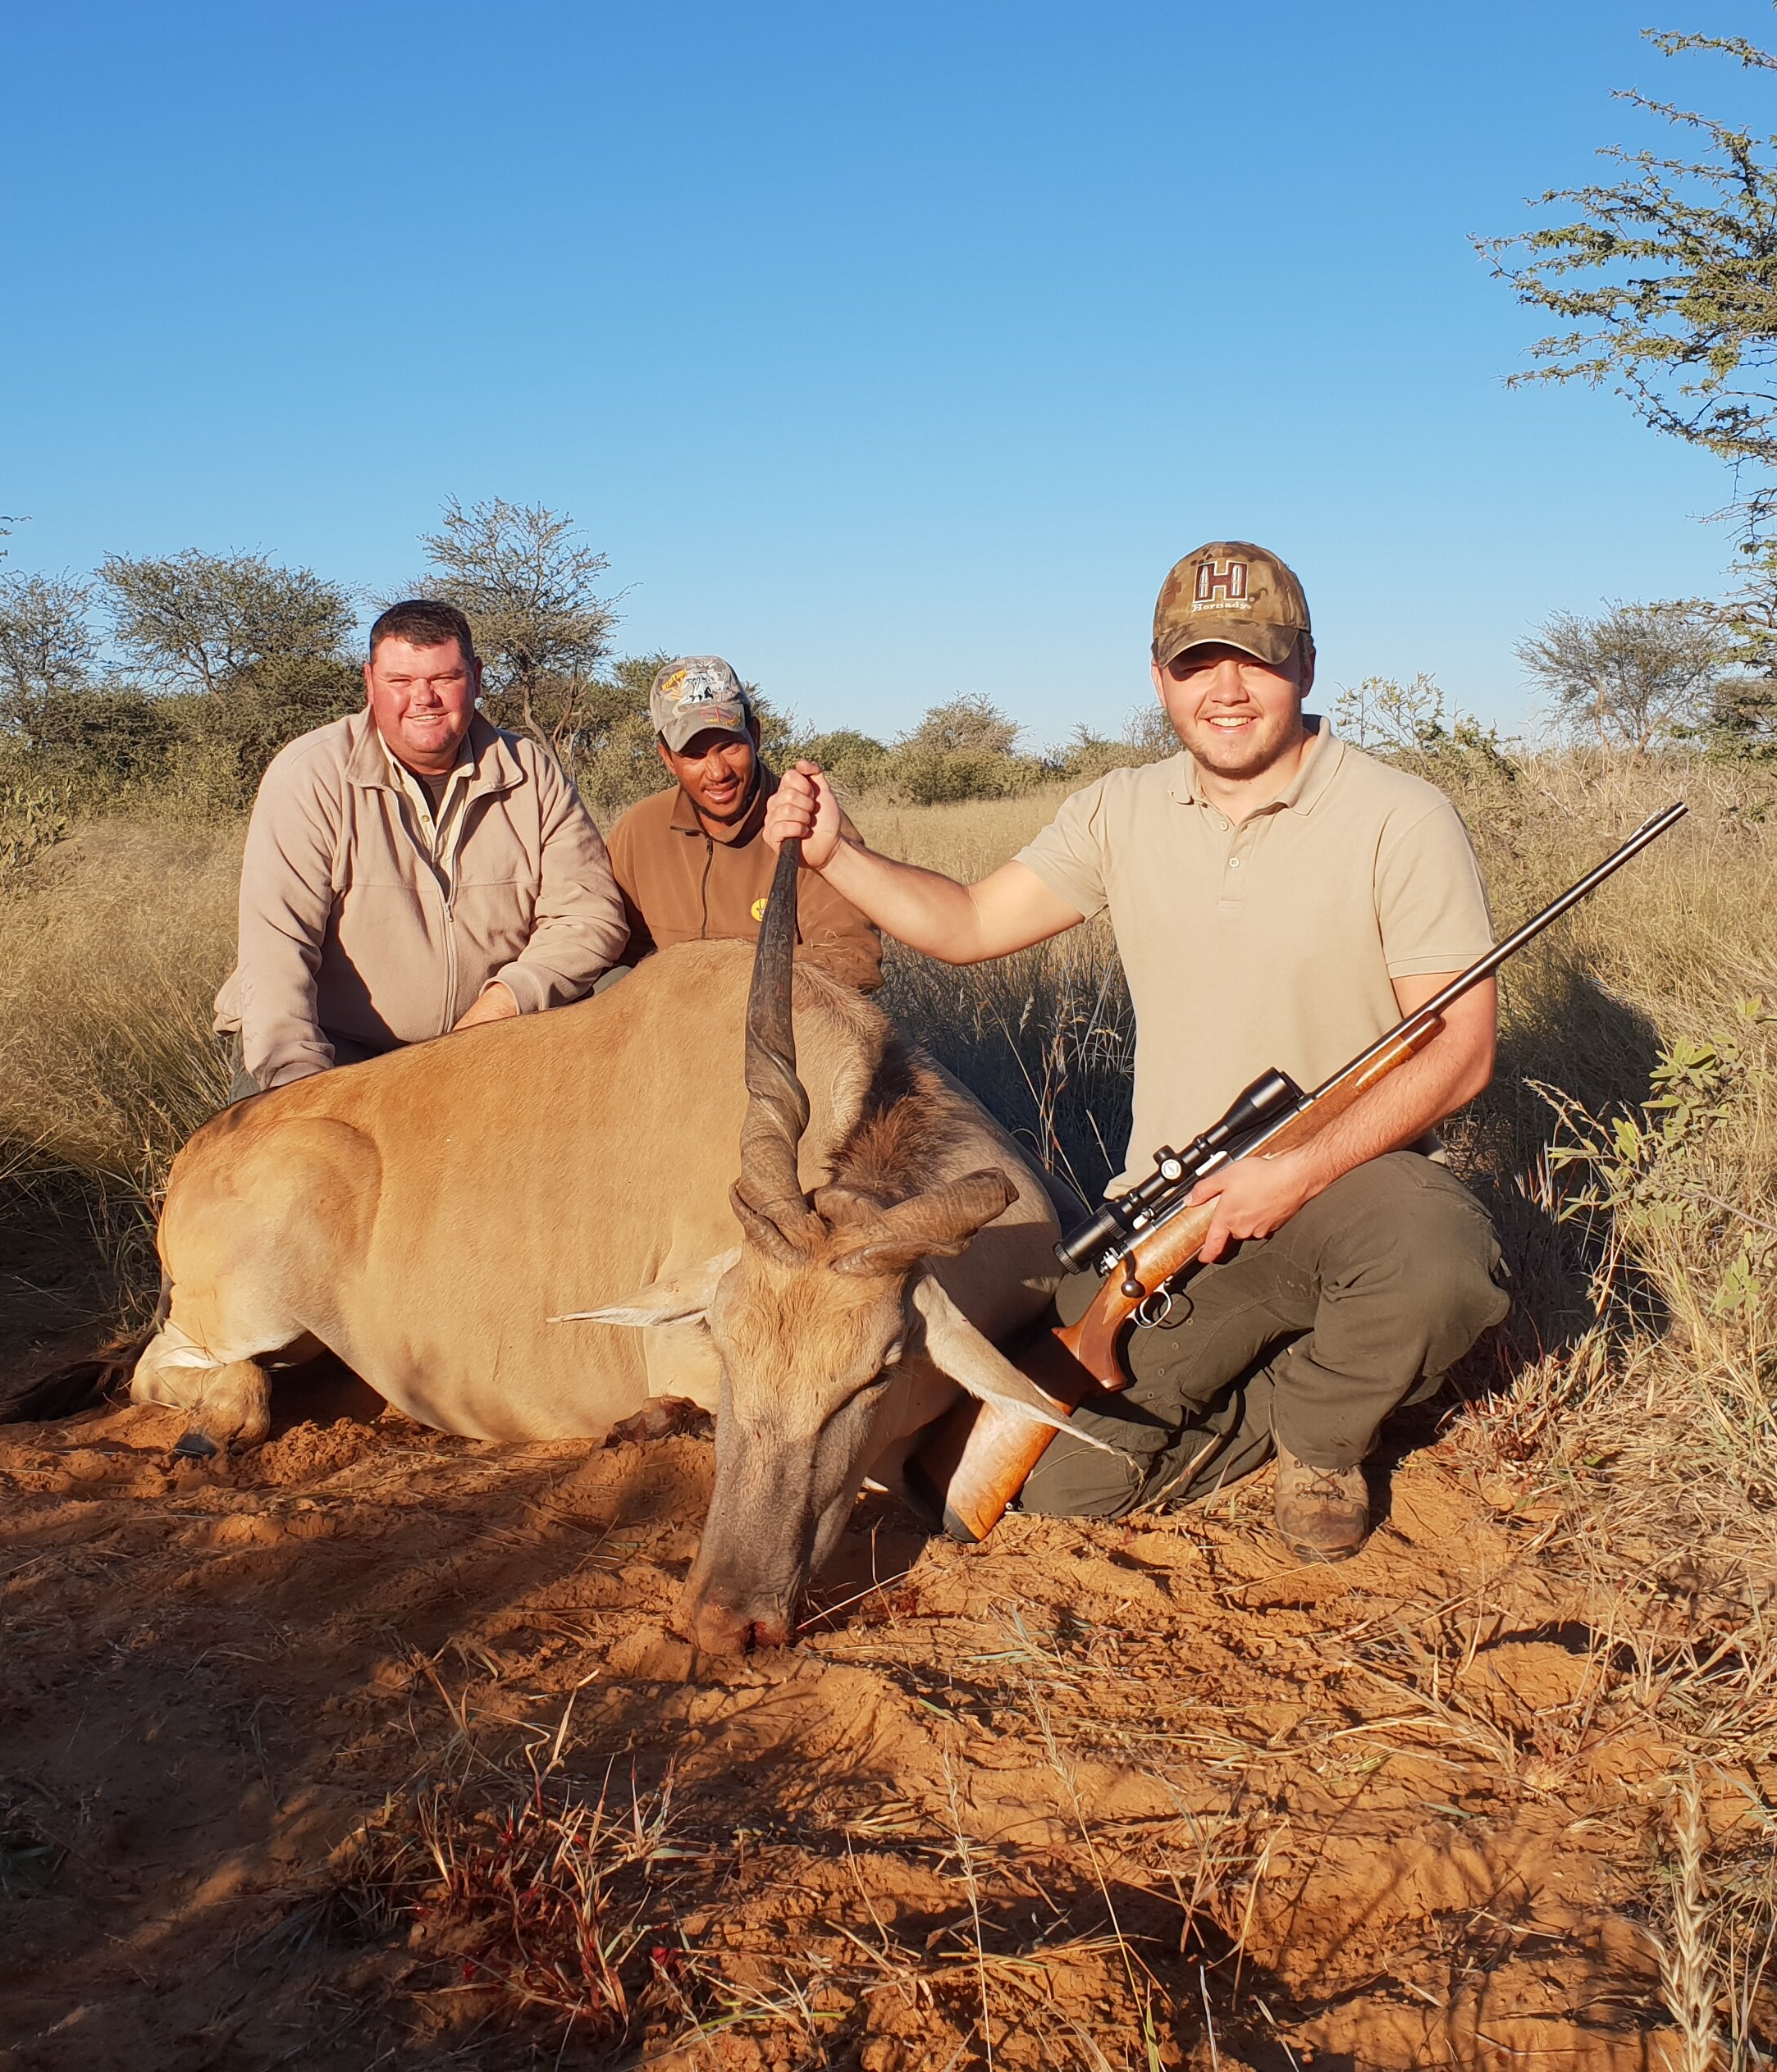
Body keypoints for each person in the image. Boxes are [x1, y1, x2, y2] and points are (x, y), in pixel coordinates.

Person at [761, 540, 1510, 1559]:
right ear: (1160, 676)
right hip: (1175, 1214)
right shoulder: (1119, 810)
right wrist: (836, 854)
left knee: (1441, 1262)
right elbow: (971, 924)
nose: (1229, 690)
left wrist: (1290, 1175)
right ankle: (1297, 1374)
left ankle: (1325, 1438)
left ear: (1308, 665)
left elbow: (1460, 1054)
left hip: (1350, 1184)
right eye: (1199, 663)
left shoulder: (1399, 815)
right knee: (1054, 1480)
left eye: (1257, 657)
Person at [214, 597, 629, 1099]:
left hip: (490, 1043)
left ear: (475, 678)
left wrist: (504, 1004)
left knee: (621, 992)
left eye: (444, 679)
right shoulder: (310, 774)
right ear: (369, 682)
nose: (423, 698)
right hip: (339, 1047)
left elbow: (589, 918)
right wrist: (301, 1089)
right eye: (400, 682)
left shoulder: (532, 773)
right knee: (283, 1162)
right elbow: (277, 951)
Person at [604, 656, 883, 994]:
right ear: (667, 757)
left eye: (730, 745)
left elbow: (852, 959)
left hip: (780, 1026)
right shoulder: (639, 830)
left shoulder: (809, 823)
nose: (718, 771)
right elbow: (615, 953)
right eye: (694, 754)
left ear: (755, 735)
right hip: (669, 1033)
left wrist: (723, 995)